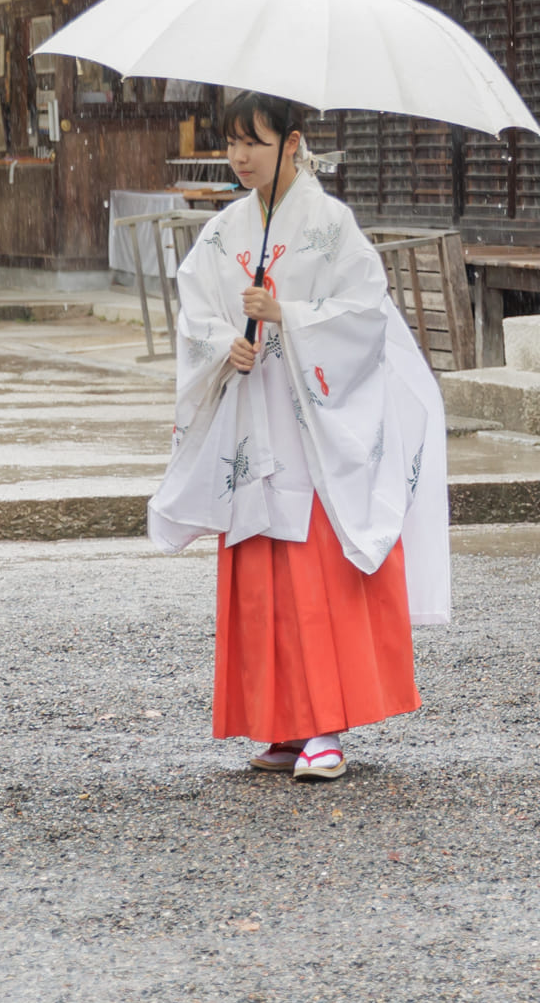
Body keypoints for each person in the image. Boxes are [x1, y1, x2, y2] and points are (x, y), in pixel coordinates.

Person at [149, 92, 450, 781]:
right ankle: (281, 722)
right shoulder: (225, 231)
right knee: (262, 574)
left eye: (253, 141)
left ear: (293, 143)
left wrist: (288, 313)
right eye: (230, 143)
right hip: (255, 413)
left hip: (313, 424)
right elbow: (195, 312)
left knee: (316, 574)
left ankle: (326, 727)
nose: (239, 156)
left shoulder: (330, 223)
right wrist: (228, 342)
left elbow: (366, 315)